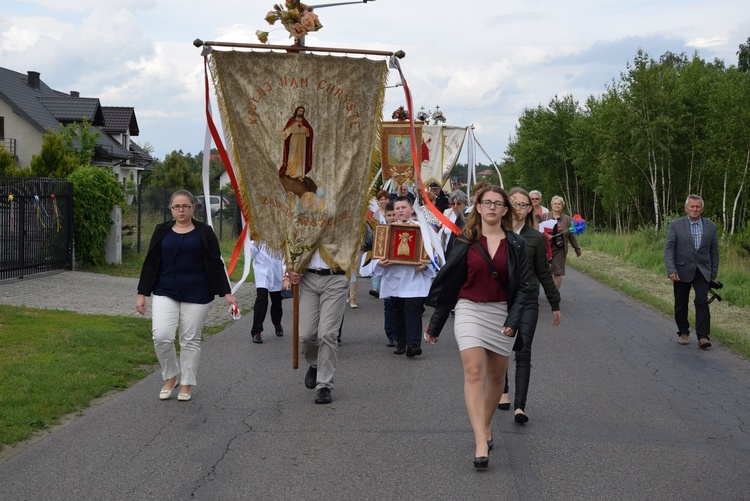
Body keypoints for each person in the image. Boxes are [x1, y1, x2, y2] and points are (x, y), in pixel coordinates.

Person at [424, 185, 529, 469]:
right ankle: (480, 440)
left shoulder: (517, 245)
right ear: (478, 208)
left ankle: (485, 423)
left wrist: (513, 320)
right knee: (473, 371)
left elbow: (525, 289)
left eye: (498, 203)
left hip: (502, 313)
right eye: (487, 202)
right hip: (468, 309)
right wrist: (436, 324)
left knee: (496, 378)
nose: (492, 207)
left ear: (506, 210)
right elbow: (450, 286)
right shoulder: (464, 242)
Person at [136, 190, 238, 402]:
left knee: (189, 339)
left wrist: (227, 292)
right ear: (171, 209)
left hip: (198, 292)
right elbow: (151, 261)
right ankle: (171, 376)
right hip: (166, 290)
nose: (181, 210)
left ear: (194, 208)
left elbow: (215, 262)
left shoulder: (205, 232)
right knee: (161, 336)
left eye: (185, 206)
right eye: (176, 206)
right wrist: (142, 294)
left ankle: (186, 383)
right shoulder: (161, 230)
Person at [498, 188, 561, 423]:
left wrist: (554, 302)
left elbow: (544, 273)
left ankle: (520, 406)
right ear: (506, 205)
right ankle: (503, 391)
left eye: (525, 205)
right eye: (515, 203)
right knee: (502, 348)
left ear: (530, 209)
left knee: (523, 351)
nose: (520, 209)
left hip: (528, 299)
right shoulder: (497, 233)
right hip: (501, 300)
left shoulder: (535, 237)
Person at [375, 196, 435, 357]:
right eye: (397, 208)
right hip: (394, 278)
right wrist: (380, 263)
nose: (400, 210)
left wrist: (425, 264)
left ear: (411, 209)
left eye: (403, 207)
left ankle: (413, 344)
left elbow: (432, 252)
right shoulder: (386, 230)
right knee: (398, 312)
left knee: (413, 311)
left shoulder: (422, 228)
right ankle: (401, 342)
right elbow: (376, 255)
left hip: (414, 279)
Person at [286, 250, 348, 404]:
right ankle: (315, 363)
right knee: (307, 335)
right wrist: (289, 269)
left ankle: (324, 385)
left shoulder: (343, 224)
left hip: (337, 277)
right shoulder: (304, 224)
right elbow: (292, 244)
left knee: (327, 333)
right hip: (308, 277)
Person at [664, 194, 719, 349]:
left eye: (698, 207)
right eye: (692, 206)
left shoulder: (711, 226)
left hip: (703, 271)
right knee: (681, 303)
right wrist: (671, 269)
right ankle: (683, 332)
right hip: (681, 270)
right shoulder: (676, 225)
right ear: (686, 208)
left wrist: (713, 274)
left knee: (701, 301)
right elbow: (669, 249)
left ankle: (703, 336)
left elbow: (714, 252)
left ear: (702, 208)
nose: (695, 209)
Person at [541, 195, 581, 290]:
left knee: (558, 272)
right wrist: (545, 236)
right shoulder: (544, 217)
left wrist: (576, 248)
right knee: (543, 271)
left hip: (560, 249)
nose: (557, 206)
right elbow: (537, 231)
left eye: (559, 204)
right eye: (555, 204)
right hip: (545, 249)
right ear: (552, 205)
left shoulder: (567, 219)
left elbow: (571, 235)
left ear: (562, 206)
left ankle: (554, 294)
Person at [249, 241, 285, 344]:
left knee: (277, 301)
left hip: (277, 271)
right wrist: (255, 242)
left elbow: (284, 255)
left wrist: (285, 275)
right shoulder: (256, 233)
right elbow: (250, 254)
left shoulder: (279, 233)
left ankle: (277, 323)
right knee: (262, 299)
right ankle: (256, 331)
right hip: (262, 270)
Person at [279, 105, 313, 180]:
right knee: (292, 156)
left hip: (302, 140)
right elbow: (287, 131)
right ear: (296, 111)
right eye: (299, 111)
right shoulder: (292, 120)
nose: (300, 112)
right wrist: (283, 132)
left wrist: (306, 129)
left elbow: (309, 131)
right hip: (294, 139)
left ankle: (300, 175)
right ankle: (290, 172)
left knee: (301, 157)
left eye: (302, 111)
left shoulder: (304, 122)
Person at [440, 190, 468, 257]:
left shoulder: (469, 214)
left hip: (463, 253)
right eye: (453, 203)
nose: (455, 206)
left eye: (458, 203)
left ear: (464, 203)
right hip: (447, 252)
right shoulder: (446, 213)